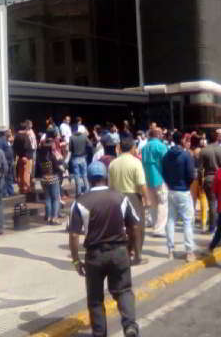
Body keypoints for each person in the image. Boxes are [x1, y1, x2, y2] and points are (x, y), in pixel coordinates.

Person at [68, 161, 140, 337]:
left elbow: (74, 235)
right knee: (123, 291)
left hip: (95, 256)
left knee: (95, 298)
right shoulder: (120, 197)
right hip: (119, 251)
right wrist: (132, 249)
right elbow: (134, 227)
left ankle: (100, 333)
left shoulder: (80, 202)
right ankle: (130, 325)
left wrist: (76, 259)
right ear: (106, 177)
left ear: (89, 178)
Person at [109, 138, 149, 266]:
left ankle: (126, 252)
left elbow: (110, 185)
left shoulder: (113, 163)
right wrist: (147, 199)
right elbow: (141, 184)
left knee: (122, 228)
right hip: (132, 196)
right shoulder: (136, 162)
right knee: (138, 227)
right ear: (132, 148)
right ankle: (137, 255)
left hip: (117, 197)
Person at [161, 131, 197, 262]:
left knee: (170, 220)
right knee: (187, 221)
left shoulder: (166, 156)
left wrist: (170, 183)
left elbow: (163, 172)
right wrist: (186, 185)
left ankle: (170, 250)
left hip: (171, 190)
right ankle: (189, 251)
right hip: (183, 190)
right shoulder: (186, 155)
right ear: (182, 140)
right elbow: (191, 175)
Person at [199, 130, 221, 234]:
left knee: (212, 203)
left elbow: (200, 169)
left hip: (209, 179)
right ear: (217, 138)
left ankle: (212, 227)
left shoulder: (204, 151)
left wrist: (199, 183)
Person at [142, 128, 169, 237]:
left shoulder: (144, 147)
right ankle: (159, 229)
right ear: (158, 135)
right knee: (163, 203)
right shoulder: (161, 146)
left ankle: (155, 226)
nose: (162, 135)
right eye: (161, 133)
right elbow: (167, 163)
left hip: (148, 179)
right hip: (160, 178)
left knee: (153, 204)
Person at [38, 131, 64, 225]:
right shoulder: (52, 156)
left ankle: (48, 217)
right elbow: (58, 167)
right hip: (53, 178)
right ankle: (55, 218)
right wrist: (63, 168)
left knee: (48, 199)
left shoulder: (40, 157)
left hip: (44, 178)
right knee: (55, 199)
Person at [69, 128, 93, 198]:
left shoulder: (71, 137)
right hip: (83, 157)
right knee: (84, 175)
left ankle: (78, 192)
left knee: (77, 176)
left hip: (75, 158)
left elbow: (70, 149)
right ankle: (87, 190)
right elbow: (90, 145)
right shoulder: (84, 137)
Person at [0, 129, 16, 197]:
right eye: (9, 132)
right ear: (5, 132)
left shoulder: (8, 140)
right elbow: (0, 152)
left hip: (10, 162)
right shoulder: (0, 140)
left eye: (11, 131)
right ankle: (4, 193)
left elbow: (10, 150)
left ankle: (11, 191)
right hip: (5, 162)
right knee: (4, 178)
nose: (10, 133)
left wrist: (13, 160)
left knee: (9, 177)